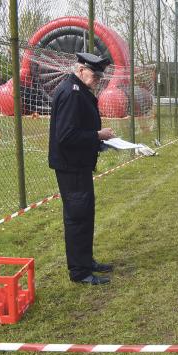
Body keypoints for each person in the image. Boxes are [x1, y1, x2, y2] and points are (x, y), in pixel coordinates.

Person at [48, 52, 115, 285]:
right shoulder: (71, 93)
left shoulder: (80, 90)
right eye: (94, 74)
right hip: (71, 166)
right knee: (77, 217)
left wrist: (99, 141)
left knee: (86, 214)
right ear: (80, 69)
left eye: (99, 75)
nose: (97, 78)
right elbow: (66, 136)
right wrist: (98, 135)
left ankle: (86, 261)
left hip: (79, 164)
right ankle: (79, 272)